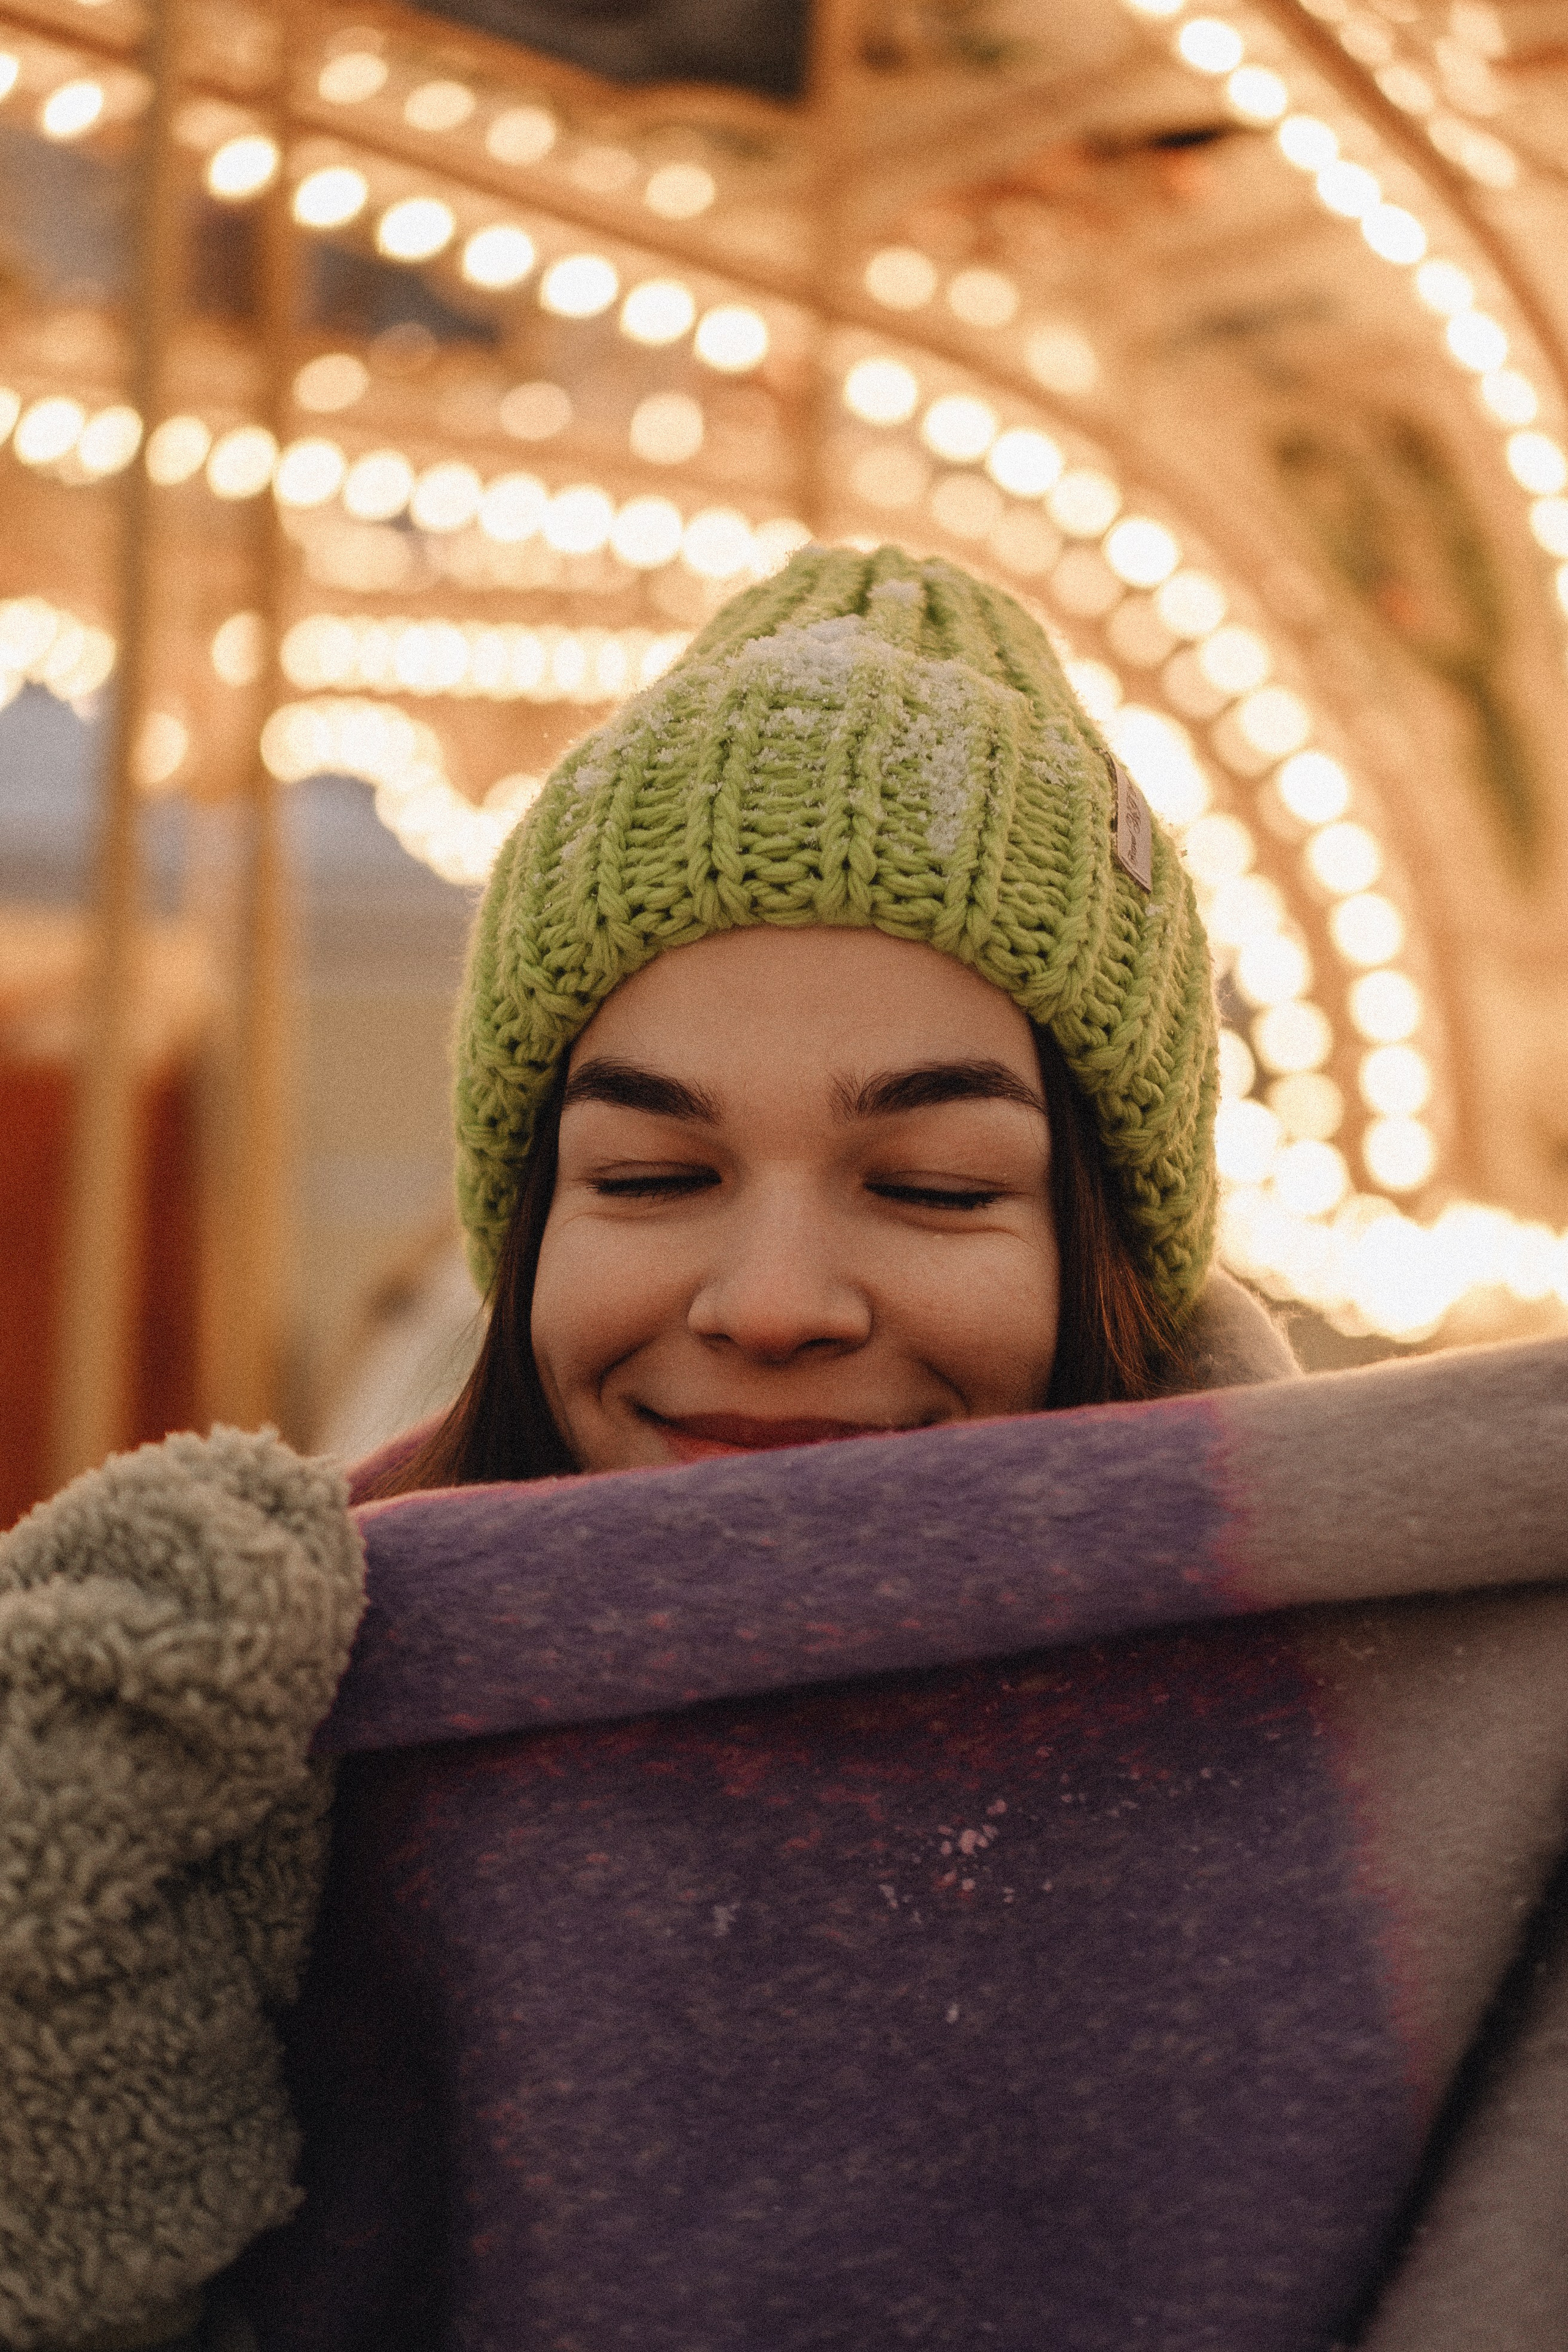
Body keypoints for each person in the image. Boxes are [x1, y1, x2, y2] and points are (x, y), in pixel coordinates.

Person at [4, 546, 1568, 2352]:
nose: (771, 1300)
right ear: (526, 1240)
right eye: (653, 1178)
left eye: (930, 1187)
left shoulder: (1409, 1771)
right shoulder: (231, 1754)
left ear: (1099, 1256)